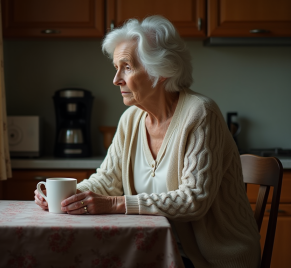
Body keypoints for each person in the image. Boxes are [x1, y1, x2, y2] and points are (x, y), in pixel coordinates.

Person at [34, 15, 260, 268]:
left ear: (160, 71)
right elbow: (108, 179)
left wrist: (115, 204)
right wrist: (68, 197)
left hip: (212, 259)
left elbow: (193, 200)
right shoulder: (131, 119)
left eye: (127, 67)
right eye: (116, 68)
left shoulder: (200, 113)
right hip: (154, 249)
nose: (116, 79)